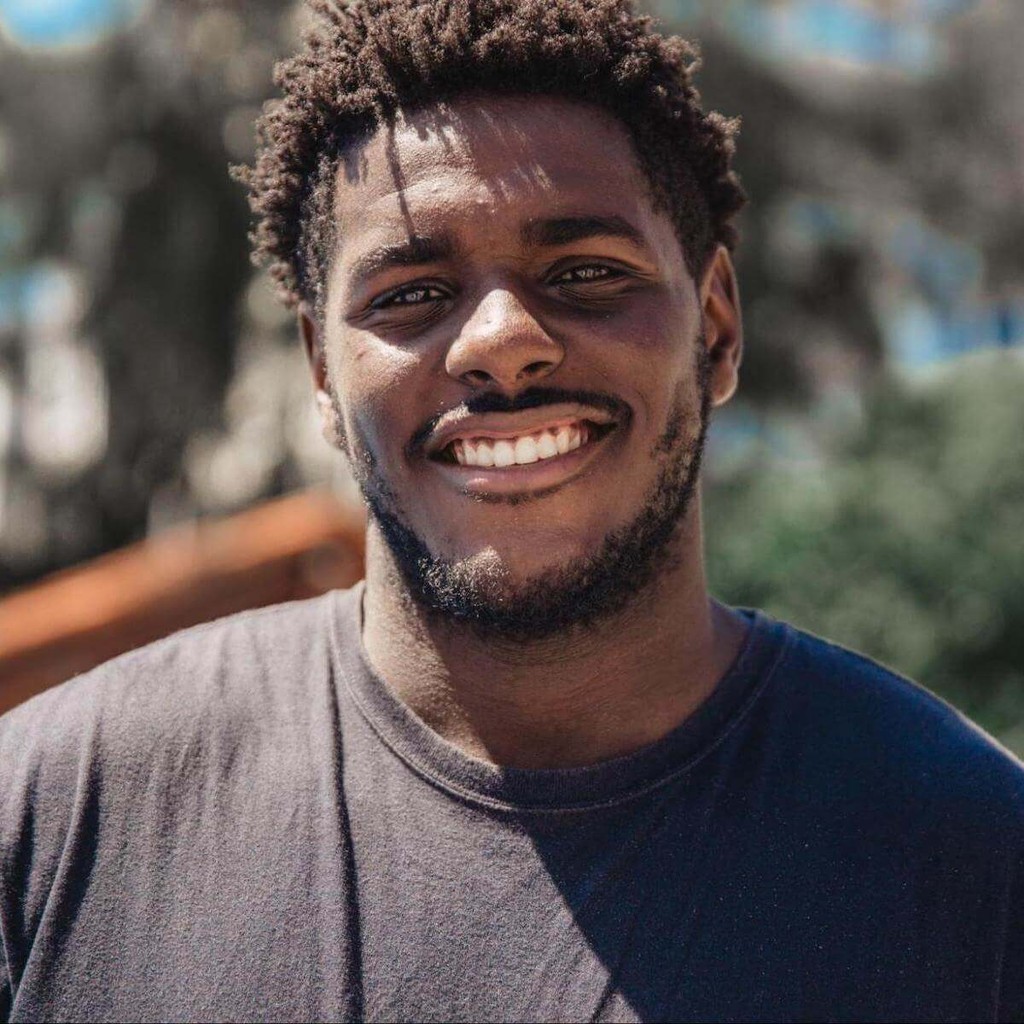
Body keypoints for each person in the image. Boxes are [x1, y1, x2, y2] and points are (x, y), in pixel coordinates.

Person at [2, 0, 1023, 1020]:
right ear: (321, 369)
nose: (499, 337)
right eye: (408, 292)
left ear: (713, 327)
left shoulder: (969, 852)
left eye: (584, 272)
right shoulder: (56, 811)